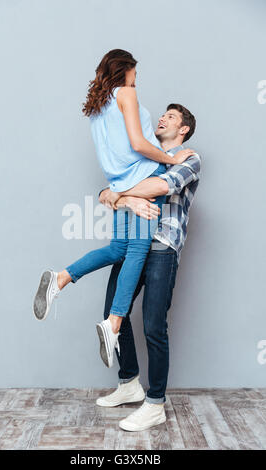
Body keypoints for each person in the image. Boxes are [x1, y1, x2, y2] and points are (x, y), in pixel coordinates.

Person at [33, 49, 194, 370]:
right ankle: (114, 324)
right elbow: (137, 143)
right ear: (126, 69)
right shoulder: (127, 94)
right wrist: (171, 159)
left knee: (119, 248)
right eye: (135, 70)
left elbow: (114, 155)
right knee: (134, 252)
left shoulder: (98, 106)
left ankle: (61, 278)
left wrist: (119, 193)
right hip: (145, 174)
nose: (137, 77)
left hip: (119, 179)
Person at [96, 103, 201, 431]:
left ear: (183, 129)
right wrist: (117, 195)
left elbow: (160, 187)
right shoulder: (144, 156)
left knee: (154, 325)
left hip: (162, 249)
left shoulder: (189, 159)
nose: (162, 119)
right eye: (163, 114)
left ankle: (155, 403)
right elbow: (103, 193)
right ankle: (129, 382)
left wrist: (120, 195)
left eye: (171, 117)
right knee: (113, 314)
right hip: (131, 244)